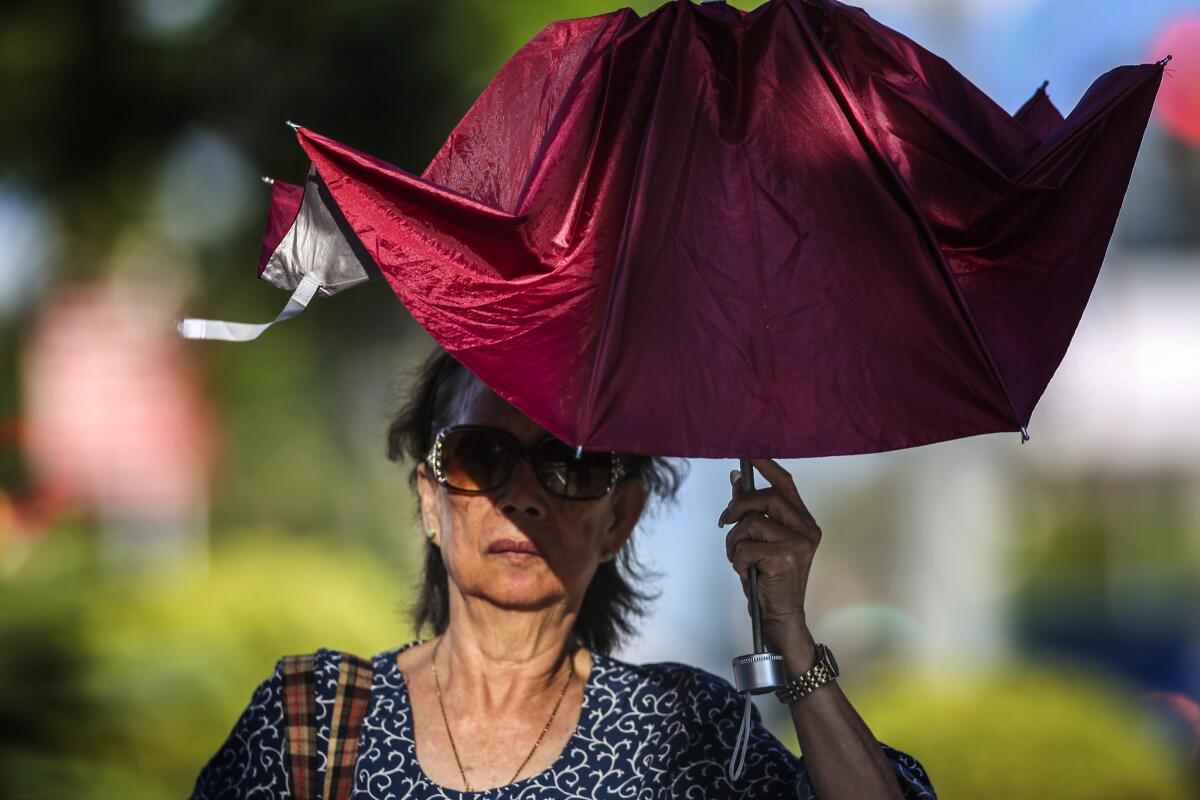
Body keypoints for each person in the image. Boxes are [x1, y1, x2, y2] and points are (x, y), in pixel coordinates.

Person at [192, 347, 935, 799]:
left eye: (568, 466)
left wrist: (791, 638)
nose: (524, 496)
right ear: (429, 497)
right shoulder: (309, 721)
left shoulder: (680, 733)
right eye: (484, 457)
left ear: (620, 518)